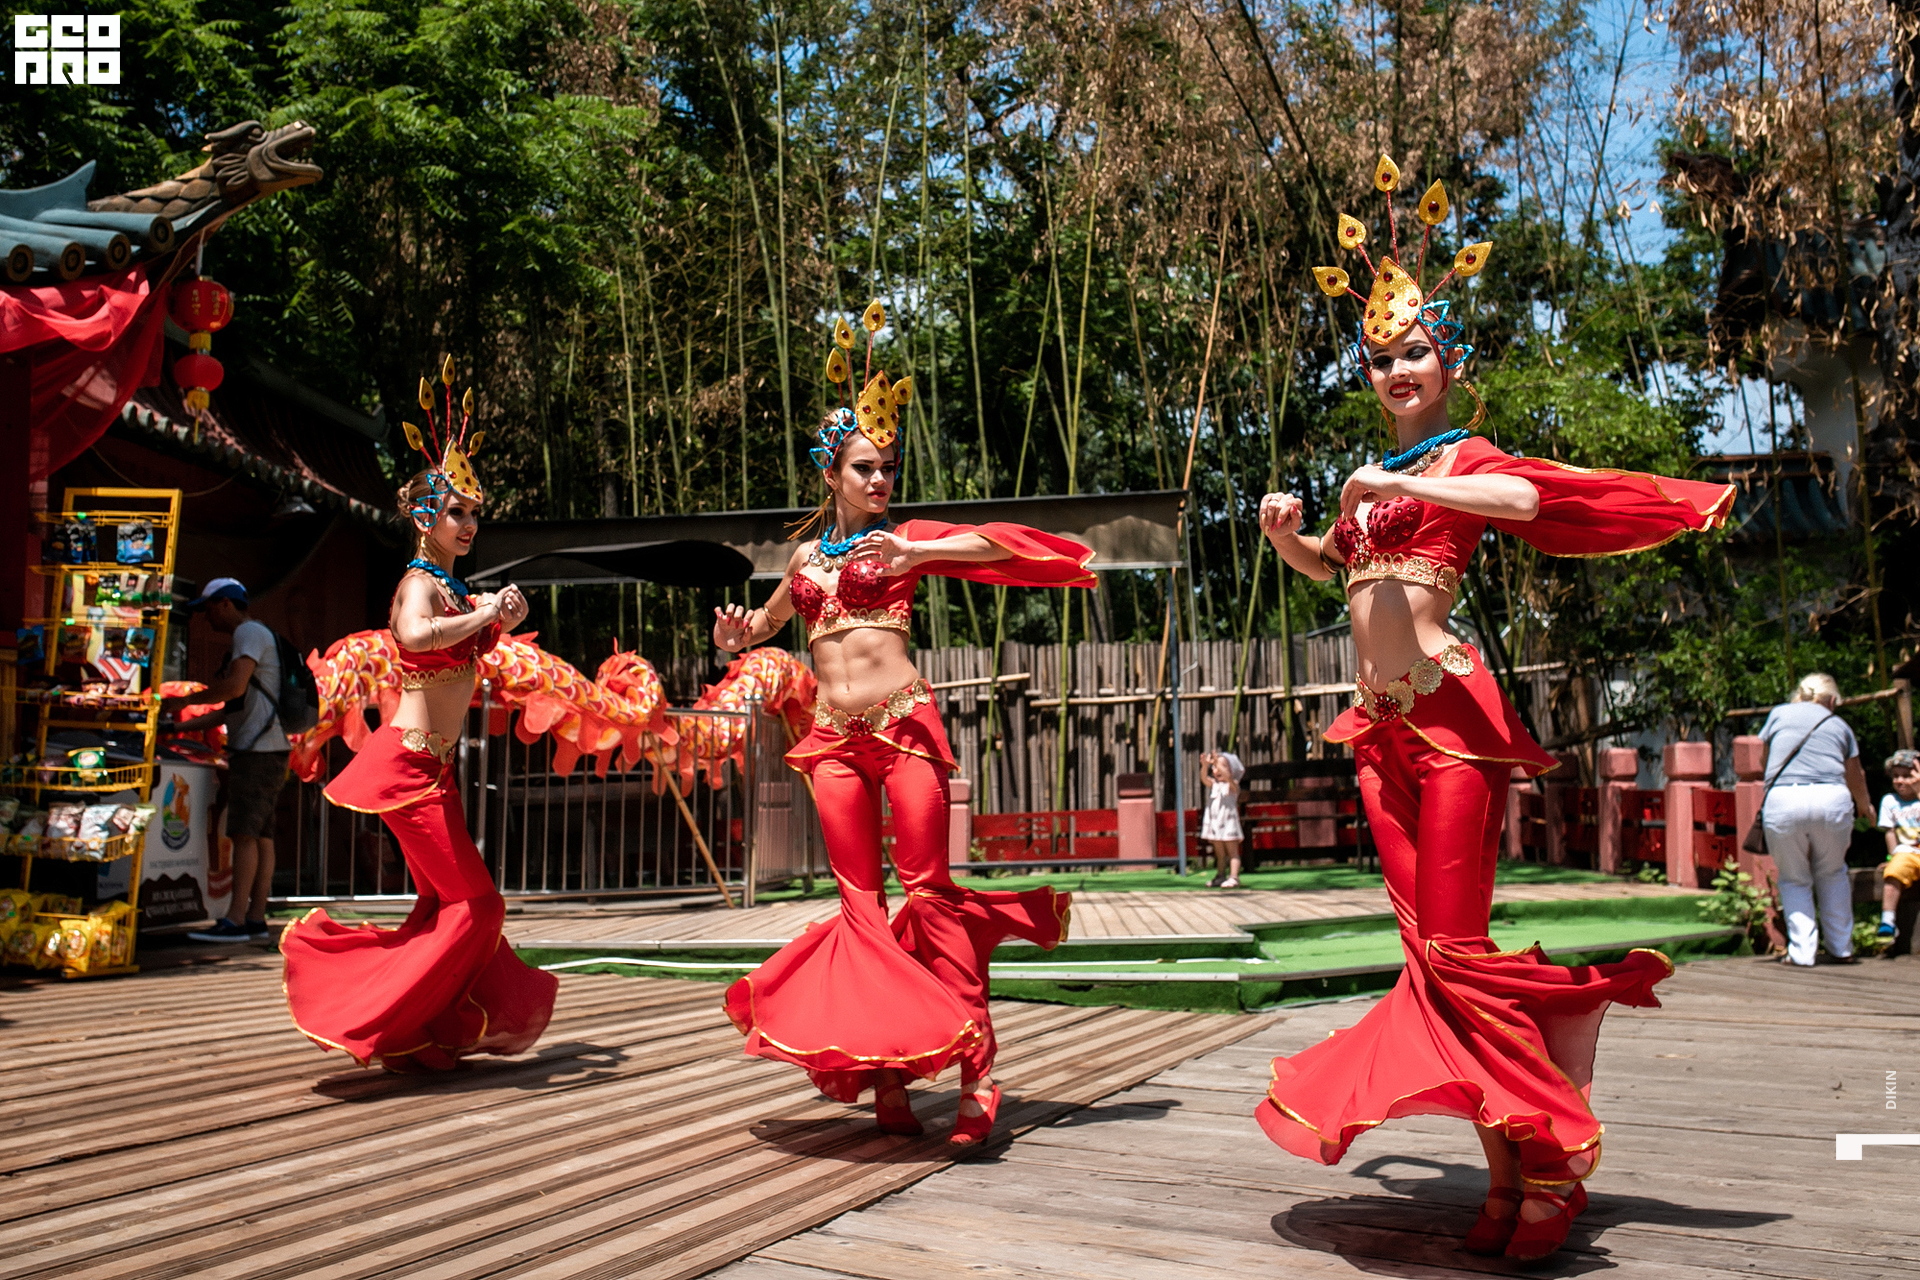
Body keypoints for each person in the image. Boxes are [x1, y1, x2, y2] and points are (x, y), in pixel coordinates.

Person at [1252, 158, 1736, 1262]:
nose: (1397, 370)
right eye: (1380, 357)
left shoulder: (1456, 459)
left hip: (1454, 724)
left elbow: (1517, 496)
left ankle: (1547, 1162)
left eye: (1415, 352)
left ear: (1451, 361)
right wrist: (1292, 538)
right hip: (1378, 730)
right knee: (1435, 961)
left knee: (1459, 953)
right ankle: (1512, 1169)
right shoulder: (1378, 472)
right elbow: (1343, 571)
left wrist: (1403, 484)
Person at [714, 304, 1091, 1148]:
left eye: (888, 467)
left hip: (904, 726)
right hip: (833, 741)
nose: (880, 479)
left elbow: (996, 548)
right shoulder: (805, 559)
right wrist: (739, 636)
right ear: (831, 474)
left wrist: (921, 554)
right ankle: (886, 1073)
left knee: (929, 895)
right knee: (862, 910)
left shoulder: (905, 537)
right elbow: (771, 621)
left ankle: (977, 1071)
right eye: (865, 468)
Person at [278, 362, 557, 1072]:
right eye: (457, 512)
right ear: (425, 517)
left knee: (442, 906)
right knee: (478, 906)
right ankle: (375, 1018)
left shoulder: (452, 590)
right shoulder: (418, 585)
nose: (469, 524)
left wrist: (500, 616)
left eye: (474, 513)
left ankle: (419, 1033)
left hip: (433, 767)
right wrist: (485, 617)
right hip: (407, 765)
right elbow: (410, 635)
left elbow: (458, 647)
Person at [162, 578, 287, 943]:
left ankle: (235, 921)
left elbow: (233, 688)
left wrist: (186, 701)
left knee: (244, 835)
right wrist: (178, 727)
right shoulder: (260, 633)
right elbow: (231, 709)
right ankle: (255, 918)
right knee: (261, 837)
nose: (206, 619)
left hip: (256, 751)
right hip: (269, 748)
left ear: (226, 604)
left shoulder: (247, 633)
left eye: (208, 609)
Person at [1757, 673, 1875, 966]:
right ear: (1832, 700)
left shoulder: (1778, 714)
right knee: (1832, 873)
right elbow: (1855, 774)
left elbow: (1764, 760)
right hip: (1830, 799)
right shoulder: (1839, 725)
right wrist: (1866, 806)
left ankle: (1802, 953)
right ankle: (1841, 948)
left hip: (1784, 799)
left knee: (1794, 878)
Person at [1877, 749, 1920, 943]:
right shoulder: (1890, 801)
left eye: (1907, 776)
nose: (1900, 781)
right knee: (1892, 874)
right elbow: (1890, 832)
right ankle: (1888, 921)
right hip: (1906, 853)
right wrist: (1892, 857)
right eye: (1896, 776)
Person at [1198, 750, 1244, 888]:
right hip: (1215, 824)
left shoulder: (1233, 785)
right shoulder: (1214, 784)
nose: (1217, 770)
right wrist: (1204, 766)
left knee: (1232, 852)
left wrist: (1217, 762)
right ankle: (1220, 875)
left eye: (1222, 766)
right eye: (1215, 767)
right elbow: (1204, 779)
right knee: (1219, 853)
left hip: (1229, 823)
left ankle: (1234, 877)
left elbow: (1228, 776)